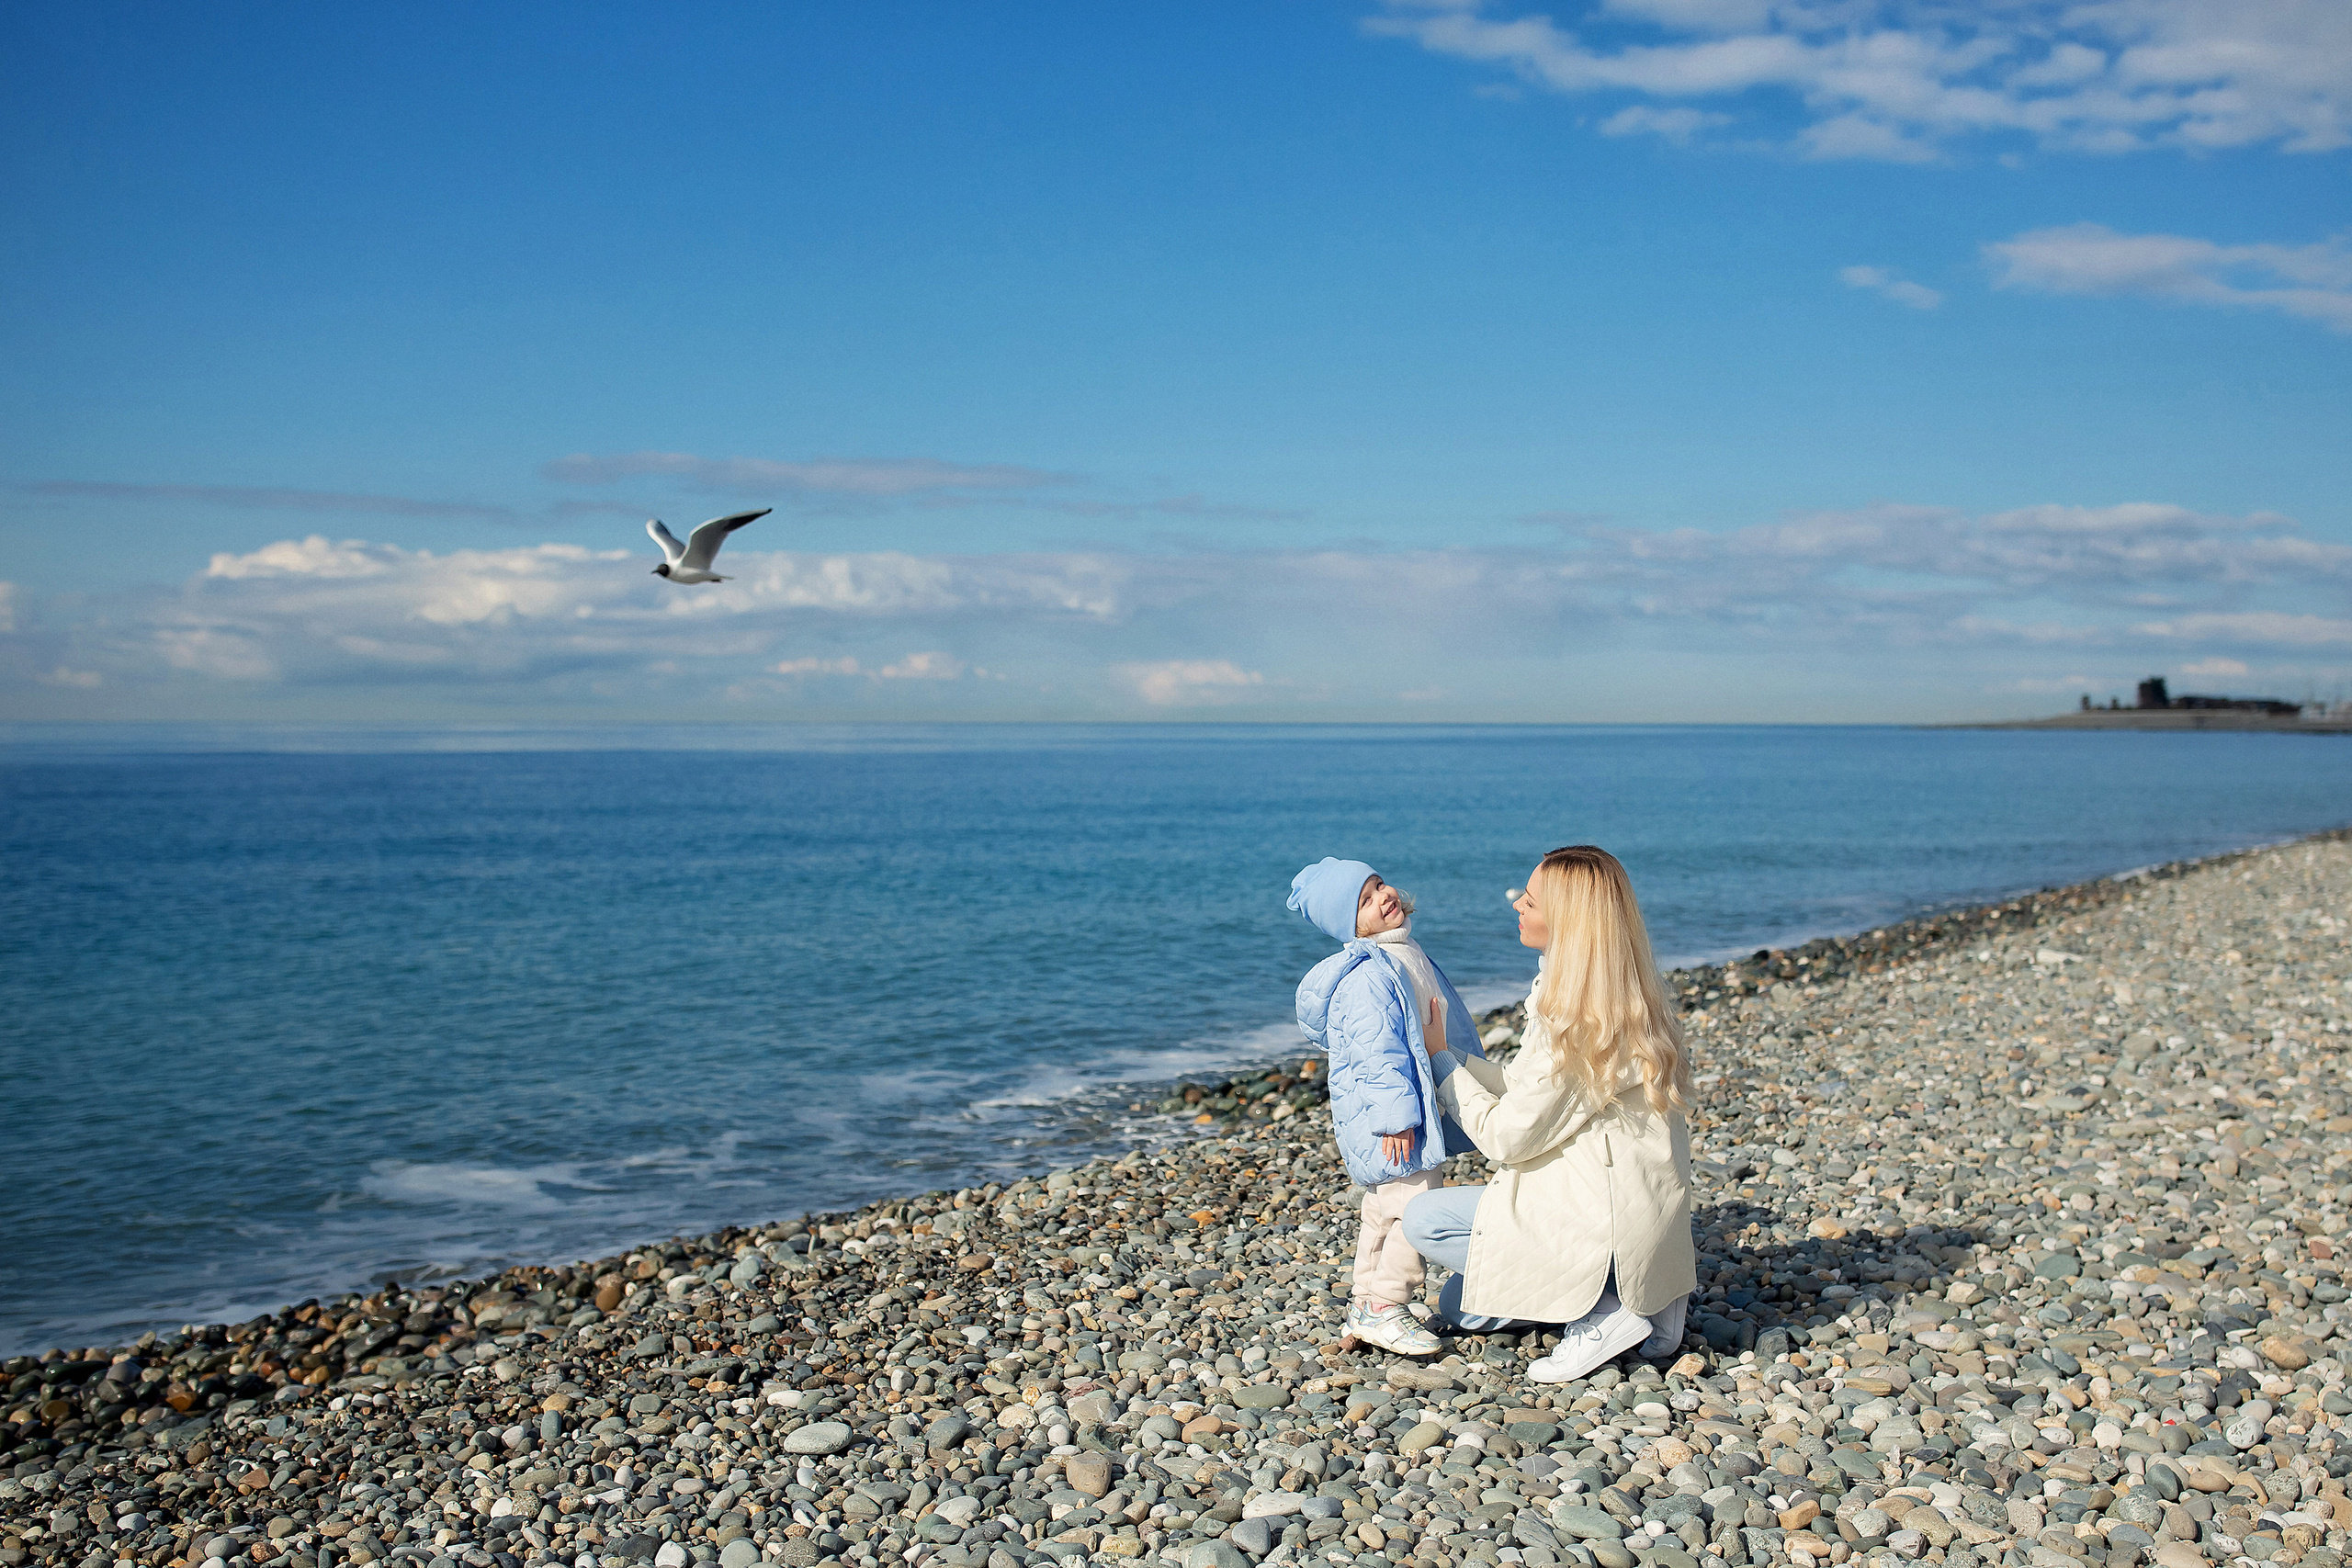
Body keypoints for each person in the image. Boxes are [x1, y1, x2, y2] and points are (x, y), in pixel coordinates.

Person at [1401, 844, 1696, 1382]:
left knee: (1424, 1219)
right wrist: (1449, 1055)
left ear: (1568, 920)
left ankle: (1607, 1308)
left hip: (1602, 1218)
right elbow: (1529, 1088)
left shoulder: (1582, 1020)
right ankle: (1640, 1296)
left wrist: (1443, 1068)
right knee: (1457, 1304)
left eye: (1530, 901)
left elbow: (1510, 1137)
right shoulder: (1622, 996)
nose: (1517, 905)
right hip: (1635, 1212)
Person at [1288, 856, 1486, 1358]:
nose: (1383, 897)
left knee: (1383, 1208)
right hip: (1395, 1115)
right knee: (1413, 1205)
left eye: (1378, 885)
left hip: (1414, 1102)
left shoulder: (1401, 949)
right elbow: (1376, 1053)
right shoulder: (1369, 976)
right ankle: (1387, 1304)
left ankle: (1365, 1301)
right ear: (1351, 926)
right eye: (1366, 901)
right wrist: (1397, 1119)